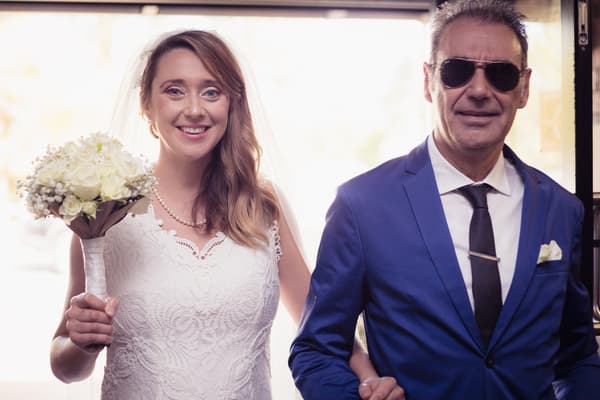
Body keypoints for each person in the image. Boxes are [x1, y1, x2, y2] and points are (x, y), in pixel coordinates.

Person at [49, 30, 402, 399]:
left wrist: (368, 377)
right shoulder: (107, 212)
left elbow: (322, 329)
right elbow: (64, 365)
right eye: (174, 90)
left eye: (211, 91)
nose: (195, 108)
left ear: (231, 104)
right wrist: (79, 343)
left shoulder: (263, 207)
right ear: (146, 104)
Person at [289, 1, 600, 399]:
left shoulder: (562, 209)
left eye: (502, 75)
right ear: (427, 81)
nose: (479, 90)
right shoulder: (362, 205)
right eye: (457, 71)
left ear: (523, 88)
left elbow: (575, 357)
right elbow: (315, 348)